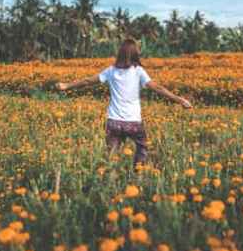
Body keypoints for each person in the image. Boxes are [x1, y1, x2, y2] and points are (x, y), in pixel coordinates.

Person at [55, 38, 192, 169]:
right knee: (142, 147)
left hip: (113, 121)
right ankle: (138, 174)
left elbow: (87, 81)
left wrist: (67, 85)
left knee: (111, 157)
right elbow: (157, 88)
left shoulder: (111, 71)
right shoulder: (138, 71)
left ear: (120, 53)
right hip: (133, 122)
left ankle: (111, 181)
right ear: (135, 54)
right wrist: (180, 100)